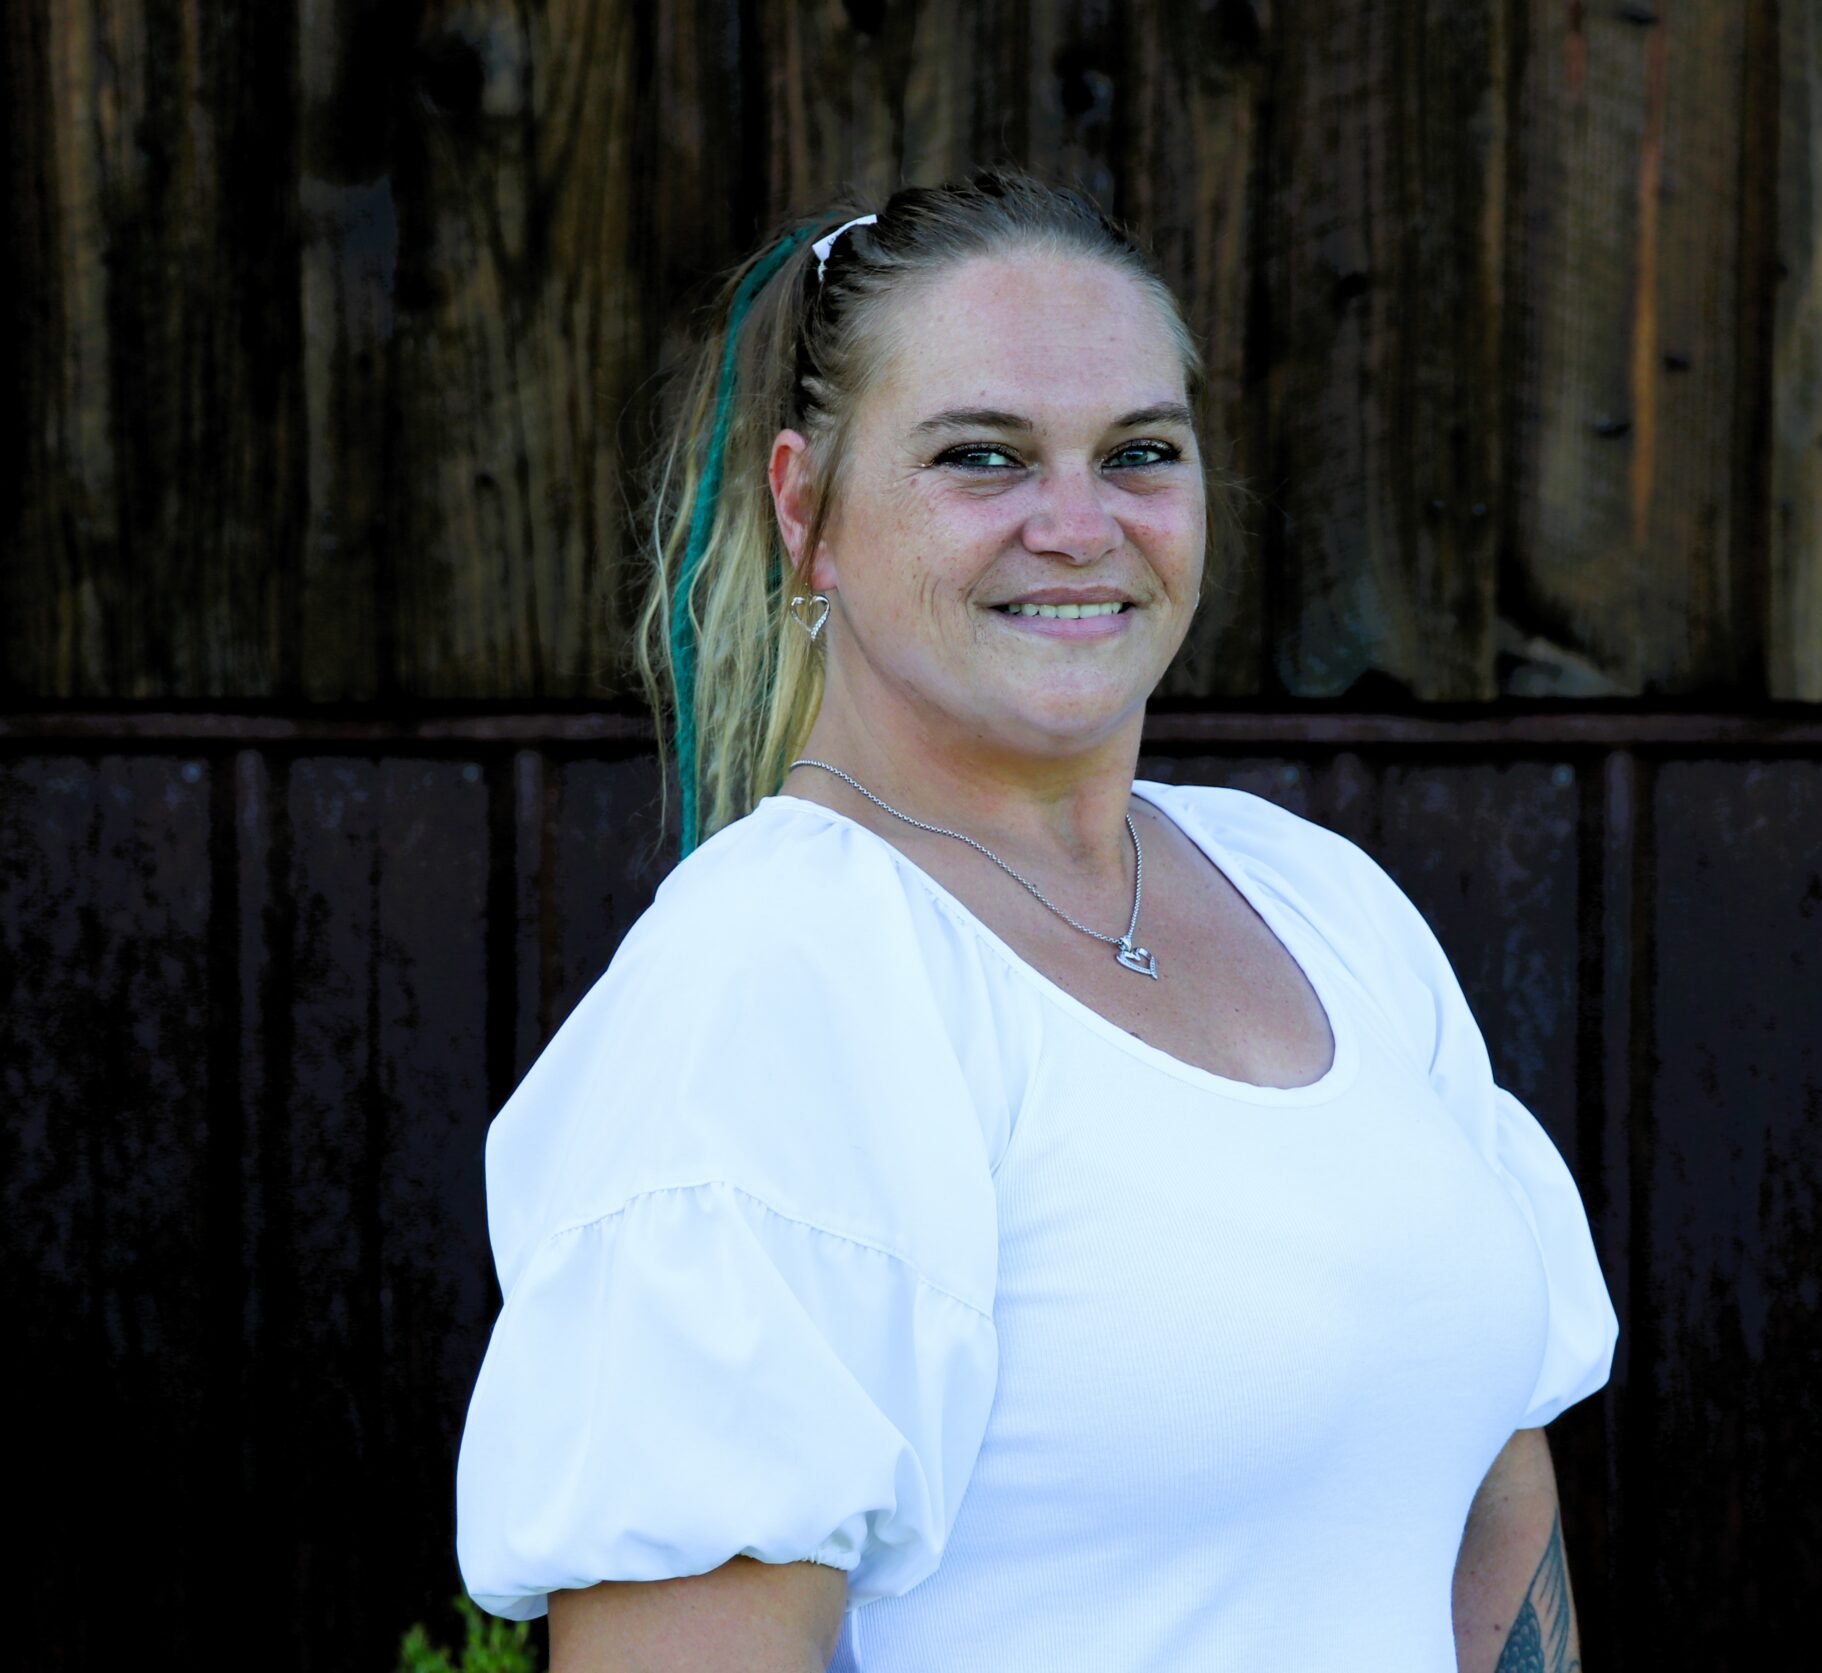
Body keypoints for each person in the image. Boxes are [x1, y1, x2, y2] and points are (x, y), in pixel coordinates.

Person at [452, 168, 1618, 1673]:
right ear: (806, 510)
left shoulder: (1317, 899)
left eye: (1139, 452)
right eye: (982, 457)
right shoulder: (778, 977)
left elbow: (1495, 1517)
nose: (1077, 525)